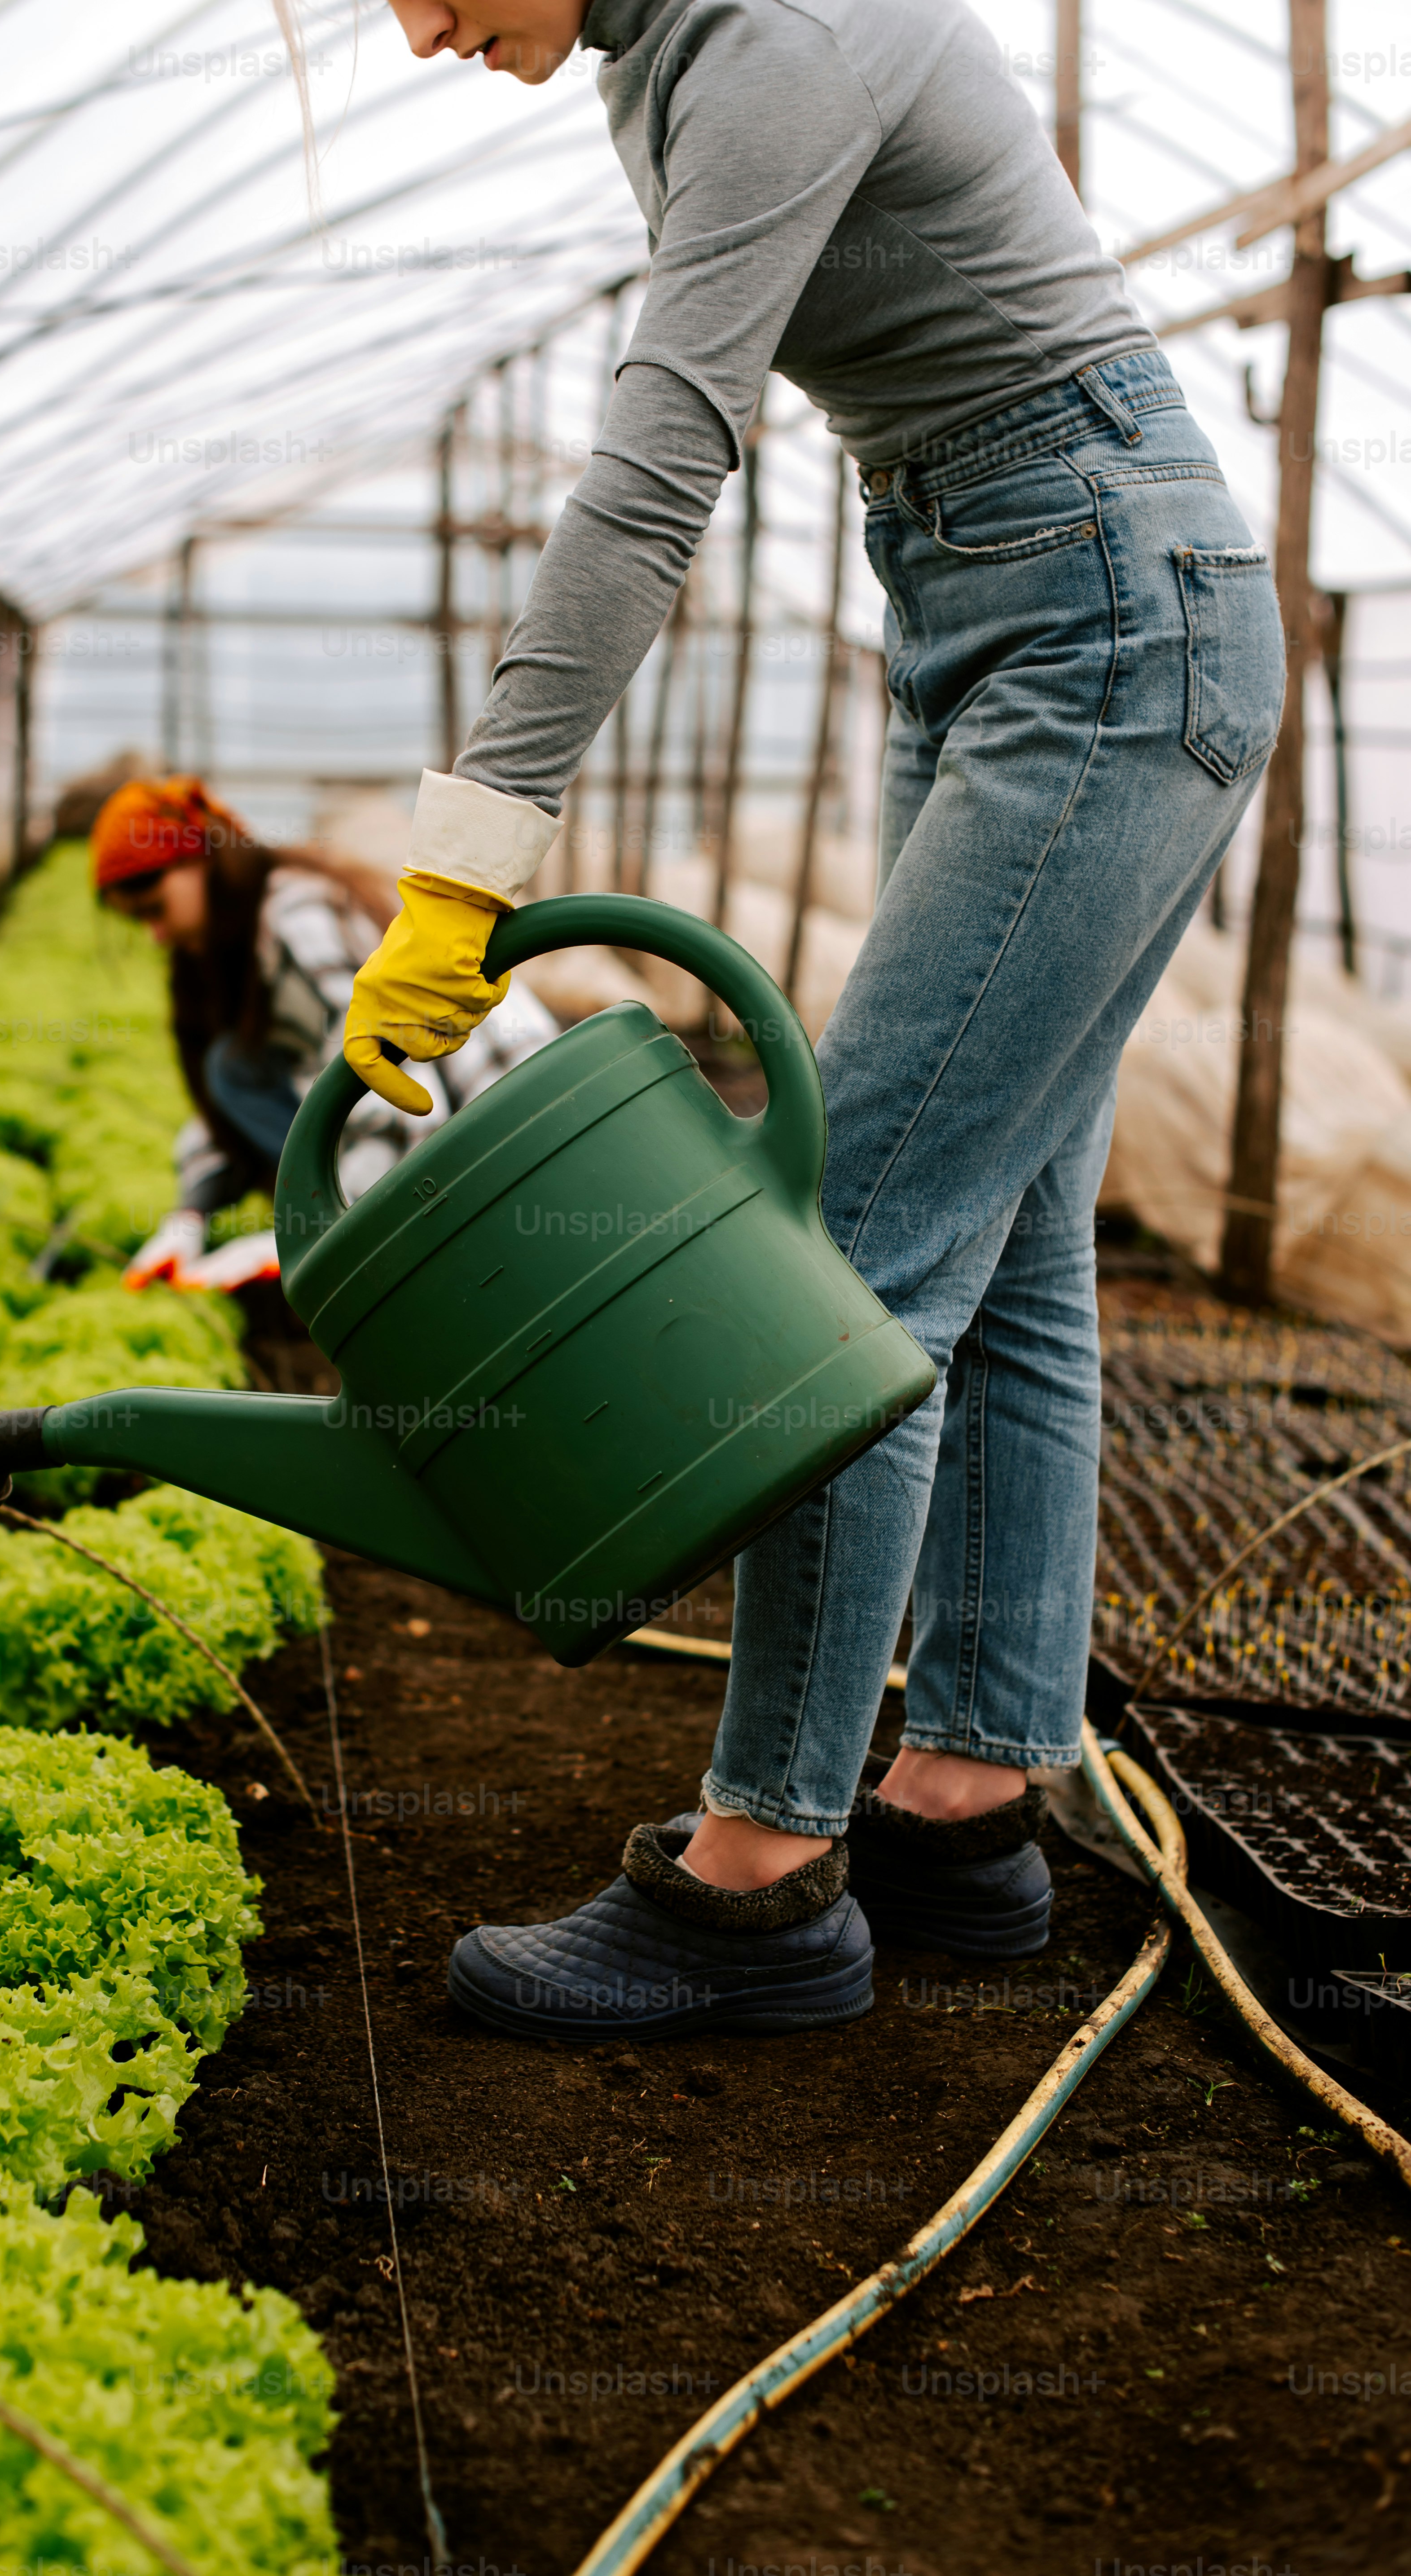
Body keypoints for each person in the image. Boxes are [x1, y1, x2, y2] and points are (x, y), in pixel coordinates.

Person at [333, 0, 1287, 2038]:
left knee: (845, 1249)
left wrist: (475, 846)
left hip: (1101, 619)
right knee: (1007, 1242)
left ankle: (756, 1878)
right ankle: (967, 1792)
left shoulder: (779, 34)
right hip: (1000, 604)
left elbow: (658, 461)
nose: (413, 34)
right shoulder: (640, 63)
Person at [90, 776, 559, 1289]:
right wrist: (189, 1217)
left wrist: (321, 1237)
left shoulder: (297, 917)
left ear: (199, 860)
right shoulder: (235, 947)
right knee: (230, 1065)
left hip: (514, 1115)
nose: (156, 935)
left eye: (154, 910)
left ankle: (407, 1245)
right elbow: (234, 1097)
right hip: (440, 1105)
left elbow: (389, 1087)